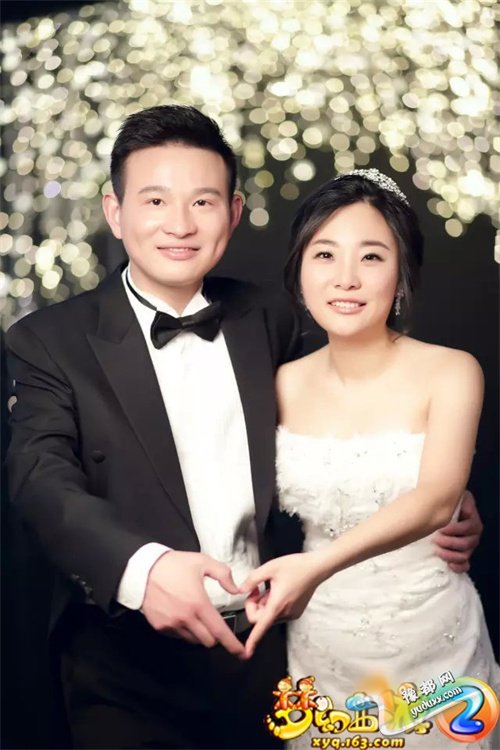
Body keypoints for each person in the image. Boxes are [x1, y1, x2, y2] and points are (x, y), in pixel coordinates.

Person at [5, 105, 483, 750]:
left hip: (271, 648)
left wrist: (441, 496)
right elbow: (39, 479)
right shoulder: (49, 340)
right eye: (155, 200)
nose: (180, 224)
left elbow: (349, 418)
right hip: (125, 663)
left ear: (232, 214)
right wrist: (144, 569)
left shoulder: (270, 317)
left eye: (202, 202)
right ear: (115, 212)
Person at [241, 170, 500, 748]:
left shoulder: (452, 370)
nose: (346, 278)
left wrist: (314, 568)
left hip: (433, 639)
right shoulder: (278, 383)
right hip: (321, 644)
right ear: (300, 271)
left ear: (401, 274)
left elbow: (436, 499)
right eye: (325, 255)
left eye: (372, 257)